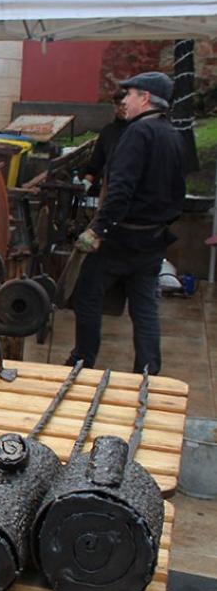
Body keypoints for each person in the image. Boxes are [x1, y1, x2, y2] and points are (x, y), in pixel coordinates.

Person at [68, 72, 185, 375]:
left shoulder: (138, 133)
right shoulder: (172, 133)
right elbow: (177, 194)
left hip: (121, 238)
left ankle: (83, 362)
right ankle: (148, 371)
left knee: (87, 295)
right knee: (145, 308)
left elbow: (120, 190)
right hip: (152, 239)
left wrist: (97, 230)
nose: (125, 100)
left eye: (129, 94)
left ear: (145, 98)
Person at [82, 90, 129, 190]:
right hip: (110, 183)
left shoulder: (138, 130)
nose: (120, 108)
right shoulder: (108, 130)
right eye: (117, 105)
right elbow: (97, 160)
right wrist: (86, 182)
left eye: (124, 104)